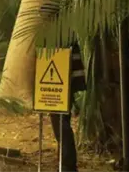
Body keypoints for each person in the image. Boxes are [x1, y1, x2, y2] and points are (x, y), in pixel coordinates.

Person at [51, 43, 86, 172]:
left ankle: (67, 165)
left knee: (61, 125)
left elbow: (75, 63)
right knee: (61, 124)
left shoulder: (64, 36)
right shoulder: (64, 33)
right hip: (57, 86)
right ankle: (65, 163)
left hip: (62, 86)